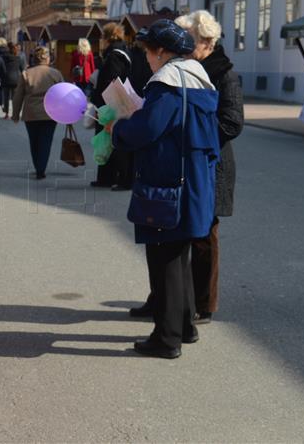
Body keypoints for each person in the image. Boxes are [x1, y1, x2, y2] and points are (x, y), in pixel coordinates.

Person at [112, 19, 220, 358]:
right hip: (194, 180)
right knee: (179, 257)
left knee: (165, 260)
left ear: (163, 52)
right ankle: (185, 326)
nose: (146, 58)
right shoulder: (198, 79)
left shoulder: (168, 84)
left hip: (169, 182)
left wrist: (120, 127)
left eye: (148, 51)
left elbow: (149, 129)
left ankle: (167, 337)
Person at [12, 47, 64, 179]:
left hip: (31, 113)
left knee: (34, 142)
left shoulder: (26, 74)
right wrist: (67, 114)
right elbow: (64, 94)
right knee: (45, 142)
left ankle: (38, 166)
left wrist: (15, 114)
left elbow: (18, 95)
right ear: (48, 58)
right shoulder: (55, 74)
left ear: (34, 59)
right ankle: (41, 168)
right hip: (50, 113)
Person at [91, 23, 132, 189]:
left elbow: (112, 80)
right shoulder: (123, 52)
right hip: (118, 103)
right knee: (110, 140)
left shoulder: (114, 56)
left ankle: (111, 177)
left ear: (106, 38)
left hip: (110, 104)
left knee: (109, 140)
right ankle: (108, 177)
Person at [0, 37, 22, 119]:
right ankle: (14, 114)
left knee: (6, 97)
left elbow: (2, 68)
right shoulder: (18, 58)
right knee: (15, 98)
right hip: (16, 80)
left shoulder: (4, 57)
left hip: (6, 79)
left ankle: (6, 114)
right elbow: (21, 69)